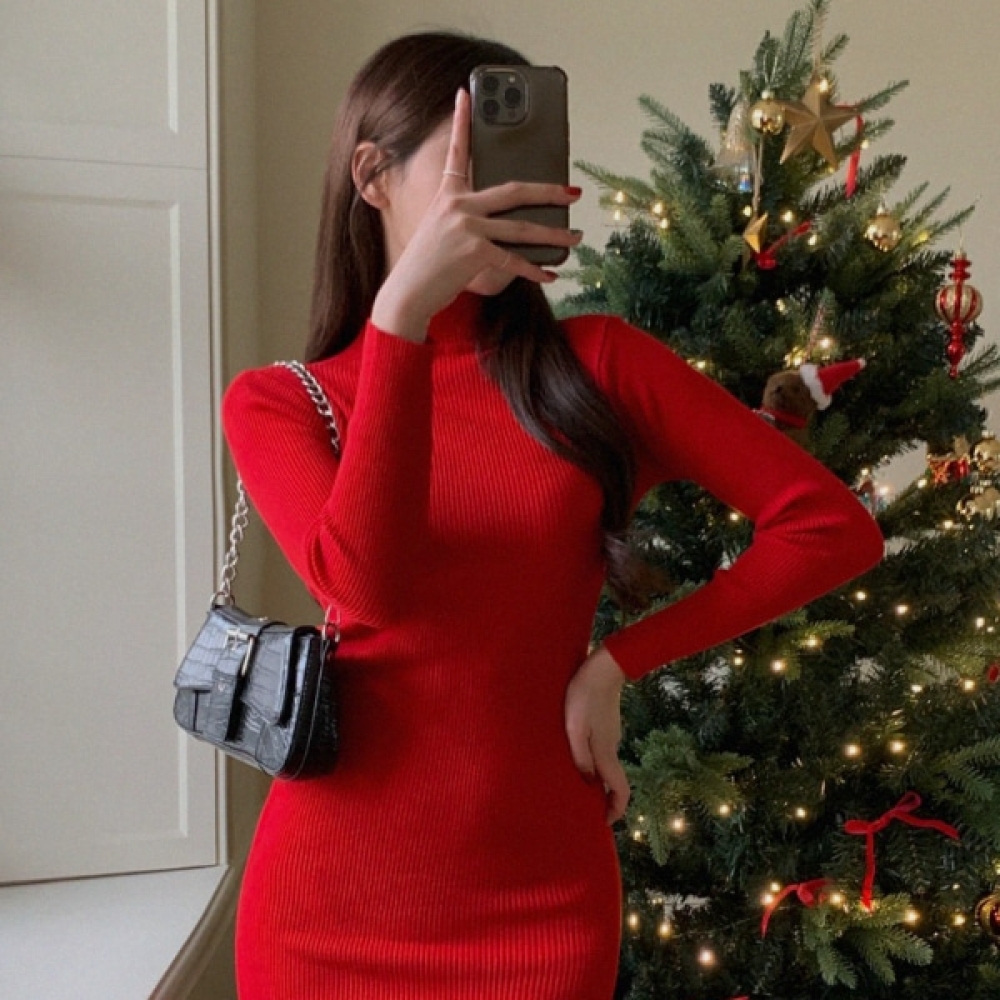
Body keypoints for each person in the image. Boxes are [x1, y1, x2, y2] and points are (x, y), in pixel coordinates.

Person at [222, 31, 884, 1000]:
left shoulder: (600, 367)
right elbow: (370, 590)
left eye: (521, 167)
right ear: (371, 176)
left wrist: (615, 663)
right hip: (328, 906)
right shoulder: (282, 401)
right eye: (469, 167)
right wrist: (402, 320)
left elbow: (831, 528)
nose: (503, 196)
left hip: (539, 898)